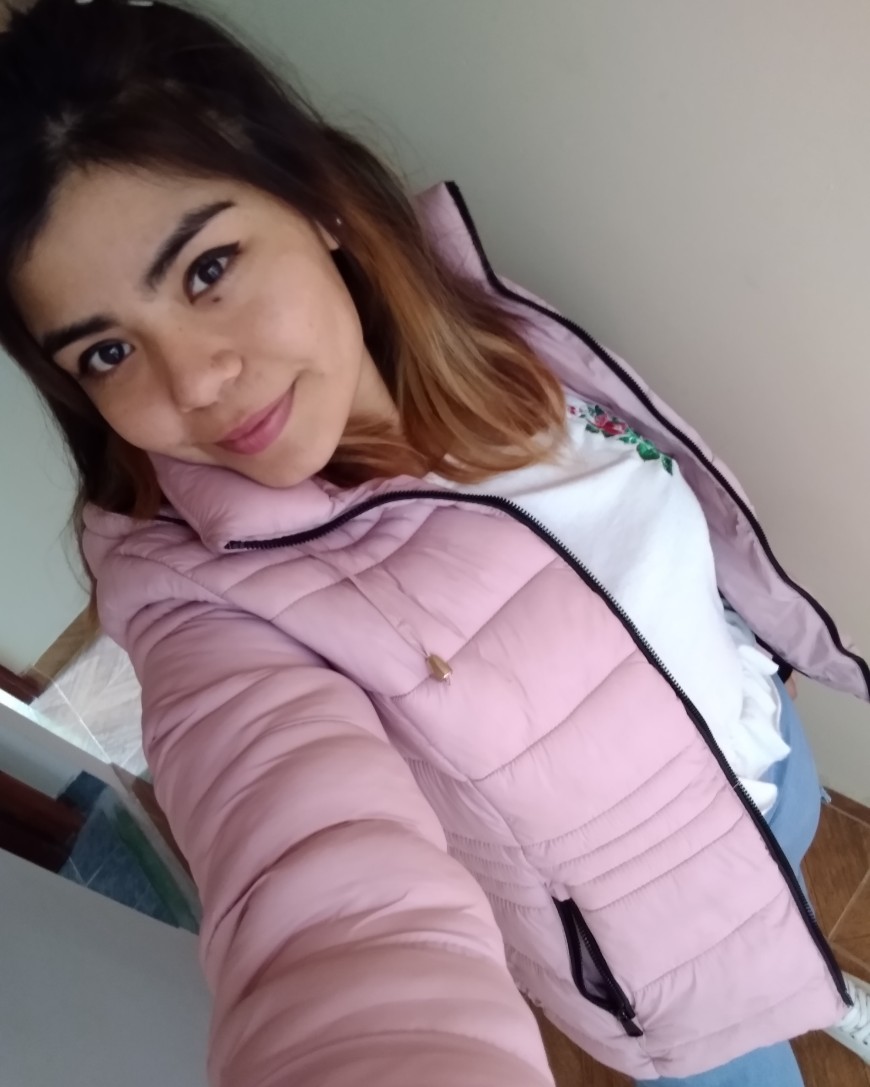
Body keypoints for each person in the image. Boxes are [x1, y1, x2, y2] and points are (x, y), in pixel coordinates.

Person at [1, 1, 868, 1084]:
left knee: (793, 904)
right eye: (108, 351)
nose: (196, 382)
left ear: (316, 201)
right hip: (668, 961)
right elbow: (319, 897)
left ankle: (816, 972)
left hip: (768, 761)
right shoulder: (204, 605)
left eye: (208, 269)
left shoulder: (489, 330)